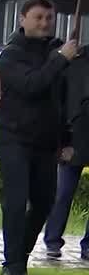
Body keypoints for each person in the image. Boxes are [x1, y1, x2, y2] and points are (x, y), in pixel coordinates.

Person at [0, 0, 79, 275]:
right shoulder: (11, 54)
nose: (44, 23)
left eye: (49, 18)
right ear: (23, 19)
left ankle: (21, 255)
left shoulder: (57, 51)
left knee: (44, 202)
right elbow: (31, 85)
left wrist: (66, 139)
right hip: (14, 138)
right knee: (16, 202)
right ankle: (11, 264)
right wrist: (60, 59)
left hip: (46, 141)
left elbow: (62, 98)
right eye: (38, 18)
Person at [43, 45, 89, 261]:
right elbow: (64, 98)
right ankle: (52, 240)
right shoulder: (76, 60)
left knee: (63, 191)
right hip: (76, 132)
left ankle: (88, 246)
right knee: (63, 192)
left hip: (77, 129)